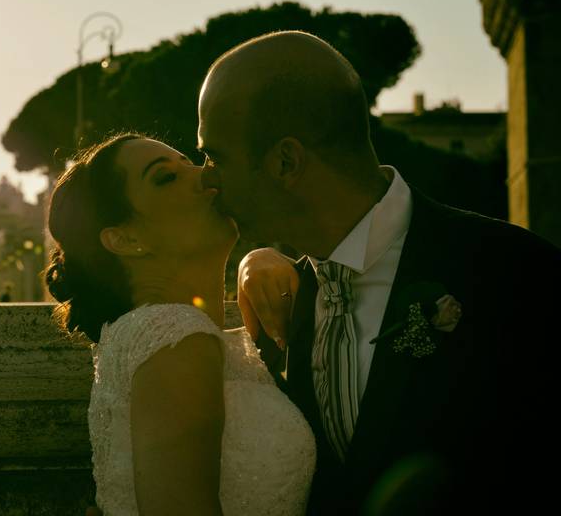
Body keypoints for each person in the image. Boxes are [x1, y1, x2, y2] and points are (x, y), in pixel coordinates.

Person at [197, 30, 561, 514]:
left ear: (286, 161)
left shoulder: (520, 274)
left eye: (214, 155)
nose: (205, 177)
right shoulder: (284, 299)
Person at [46, 133, 316, 516]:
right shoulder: (178, 339)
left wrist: (255, 261)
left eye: (192, 162)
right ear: (125, 238)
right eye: (166, 178)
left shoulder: (164, 335)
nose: (206, 176)